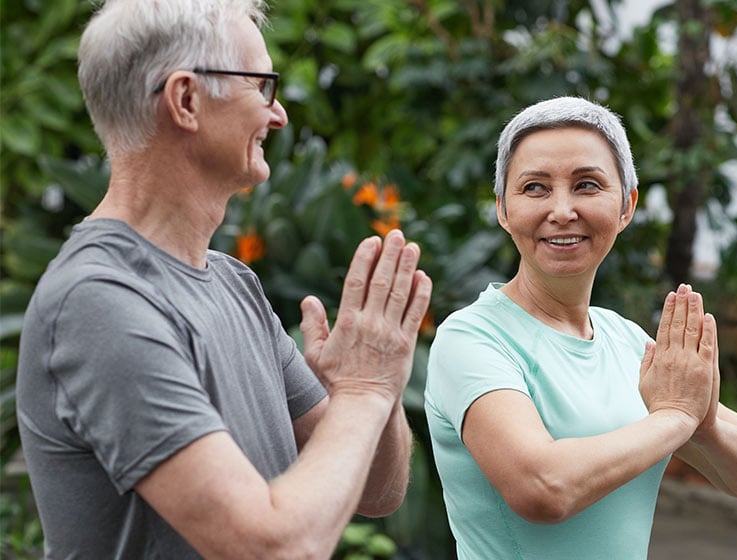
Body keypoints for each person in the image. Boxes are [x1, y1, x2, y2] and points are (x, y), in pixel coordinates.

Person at [15, 1, 432, 558]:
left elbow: (377, 493)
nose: (278, 114)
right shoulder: (98, 302)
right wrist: (363, 390)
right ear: (186, 100)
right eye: (262, 86)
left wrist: (376, 385)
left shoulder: (235, 283)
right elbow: (273, 547)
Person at [424, 96, 737, 559]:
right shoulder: (472, 339)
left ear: (626, 206)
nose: (561, 210)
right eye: (534, 187)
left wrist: (704, 422)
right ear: (503, 209)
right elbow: (543, 487)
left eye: (587, 185)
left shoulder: (625, 340)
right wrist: (675, 417)